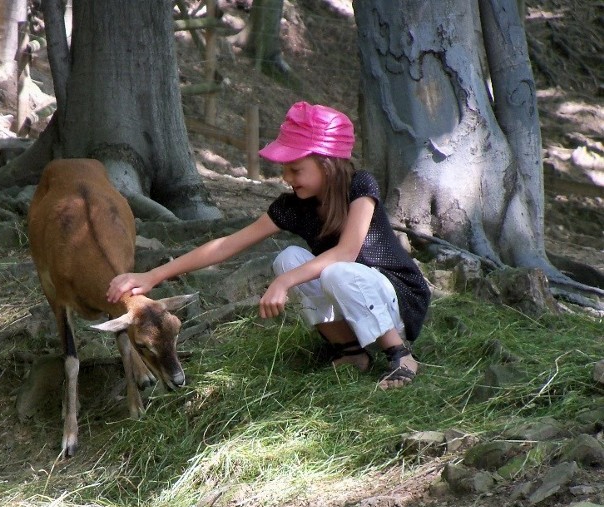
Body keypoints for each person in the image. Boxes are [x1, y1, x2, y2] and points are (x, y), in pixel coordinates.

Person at [107, 102, 431, 389]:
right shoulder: (292, 206)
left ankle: (400, 355)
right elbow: (226, 246)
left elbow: (346, 252)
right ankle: (350, 352)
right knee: (289, 258)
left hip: (397, 301)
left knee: (335, 272)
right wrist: (153, 275)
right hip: (357, 301)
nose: (287, 177)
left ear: (327, 164)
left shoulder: (360, 185)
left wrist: (285, 282)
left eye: (296, 169)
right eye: (284, 170)